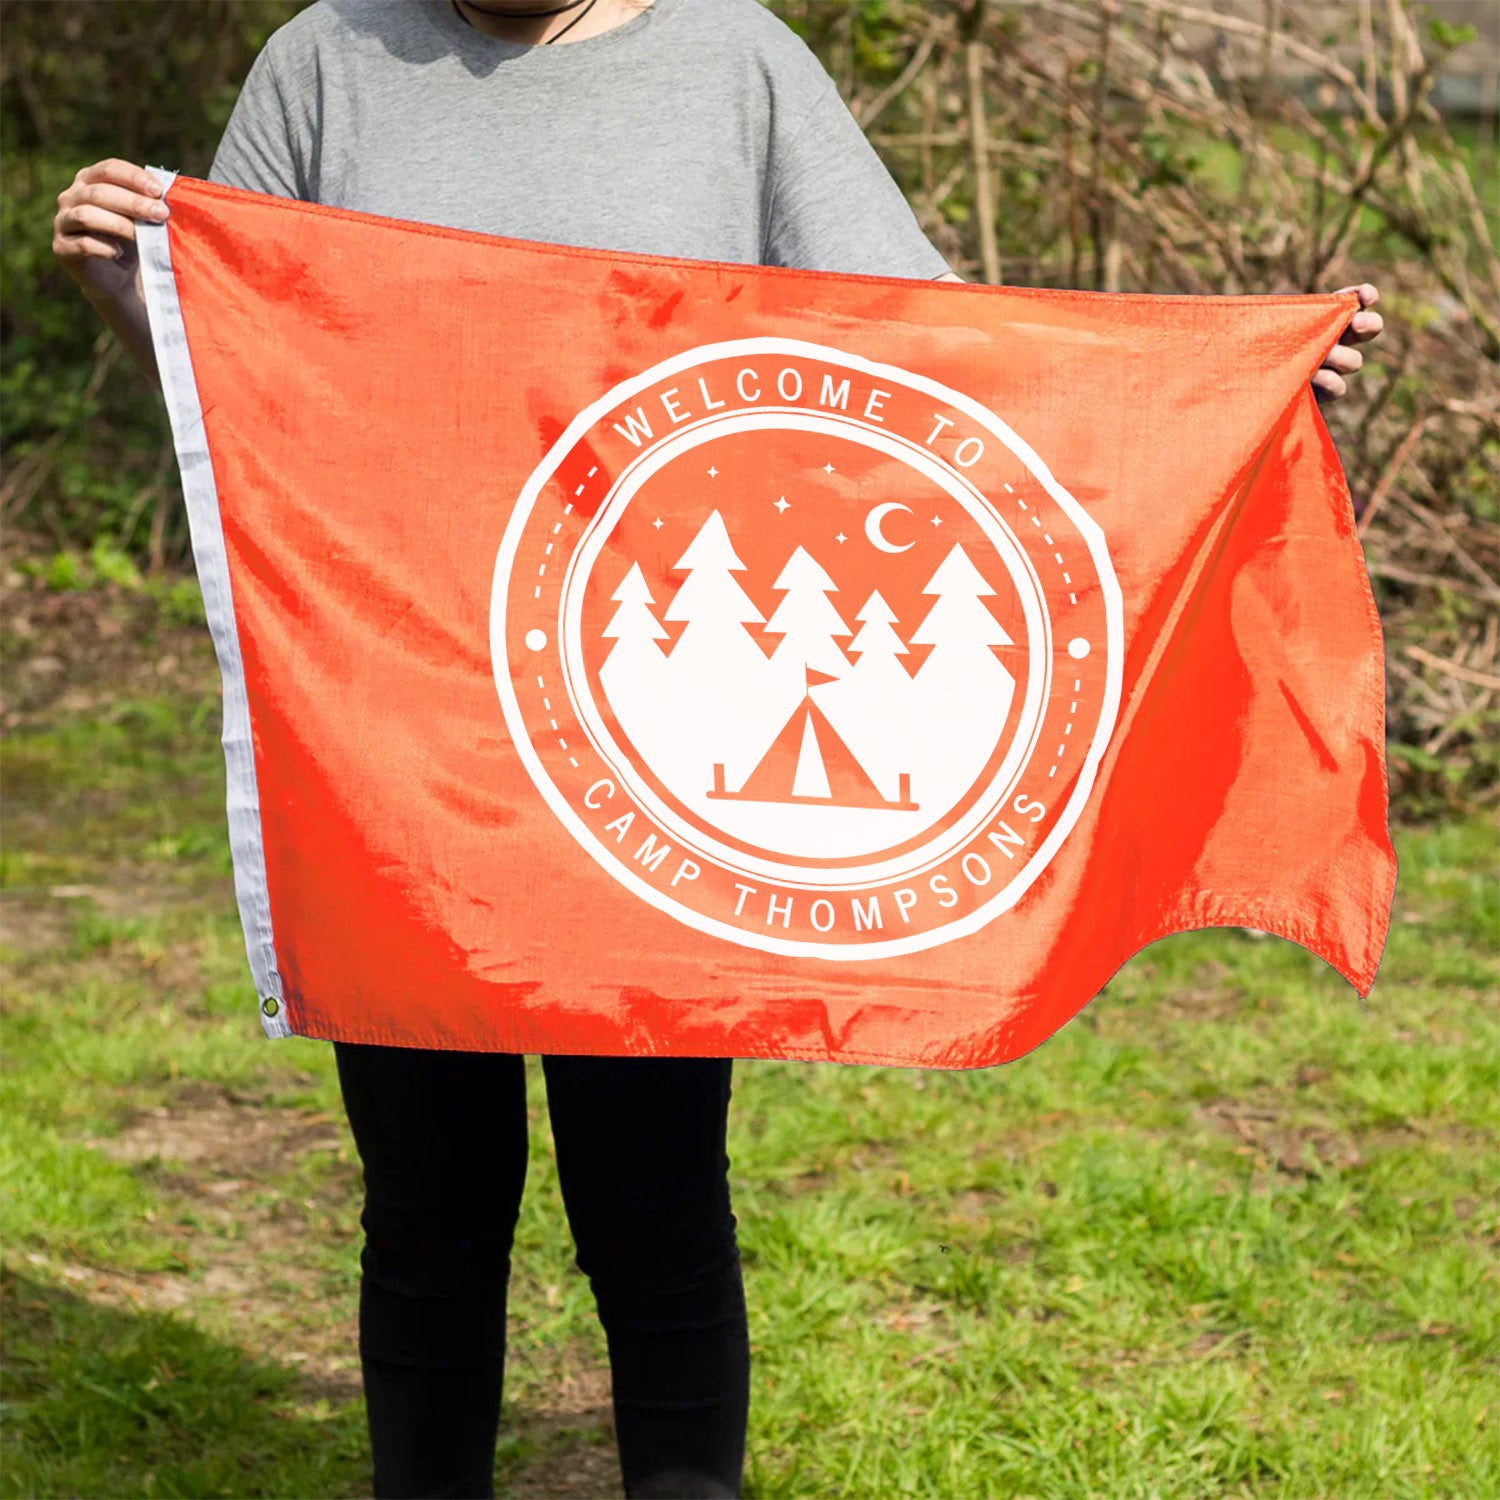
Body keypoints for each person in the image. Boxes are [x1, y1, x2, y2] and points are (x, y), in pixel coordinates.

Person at [51, 3, 1385, 1496]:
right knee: (430, 1199)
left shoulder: (730, 59)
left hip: (654, 739)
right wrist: (137, 292)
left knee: (654, 1192)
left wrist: (1237, 381)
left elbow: (948, 358)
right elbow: (250, 382)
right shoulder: (324, 62)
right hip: (394, 742)